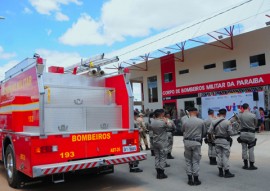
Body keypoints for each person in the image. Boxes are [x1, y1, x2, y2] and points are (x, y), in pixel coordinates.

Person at [208, 108, 236, 178]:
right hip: (225, 141)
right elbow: (230, 133)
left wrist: (211, 139)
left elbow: (209, 132)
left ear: (219, 113)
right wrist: (235, 131)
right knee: (225, 156)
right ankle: (226, 172)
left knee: (219, 156)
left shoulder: (214, 121)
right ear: (225, 114)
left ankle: (220, 172)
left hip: (217, 141)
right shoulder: (227, 122)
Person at [182, 107, 205, 186]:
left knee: (188, 161)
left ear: (189, 112)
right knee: (195, 161)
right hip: (196, 142)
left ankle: (189, 180)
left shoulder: (185, 121)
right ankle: (196, 179)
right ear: (196, 112)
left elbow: (183, 130)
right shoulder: (201, 121)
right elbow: (204, 132)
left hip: (187, 142)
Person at [237, 103, 258, 170]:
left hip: (243, 134)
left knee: (244, 149)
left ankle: (245, 165)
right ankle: (251, 165)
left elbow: (235, 121)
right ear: (248, 107)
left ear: (242, 108)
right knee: (251, 149)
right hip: (251, 134)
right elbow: (256, 124)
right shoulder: (253, 115)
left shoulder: (240, 115)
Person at [151, 109, 169, 179]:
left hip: (155, 141)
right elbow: (171, 126)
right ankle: (161, 173)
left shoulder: (152, 122)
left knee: (157, 156)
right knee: (162, 157)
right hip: (162, 141)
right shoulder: (162, 122)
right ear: (161, 114)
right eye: (163, 114)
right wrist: (166, 121)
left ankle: (158, 172)